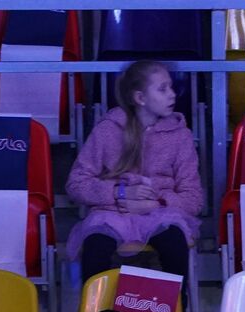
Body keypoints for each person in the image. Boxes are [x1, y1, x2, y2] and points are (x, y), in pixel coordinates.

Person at [67, 60, 201, 280]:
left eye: (171, 87)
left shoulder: (180, 135)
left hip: (160, 213)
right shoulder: (108, 130)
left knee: (174, 244)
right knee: (96, 248)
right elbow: (76, 184)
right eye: (162, 89)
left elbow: (194, 198)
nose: (172, 95)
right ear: (140, 98)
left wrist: (156, 200)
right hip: (110, 214)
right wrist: (120, 193)